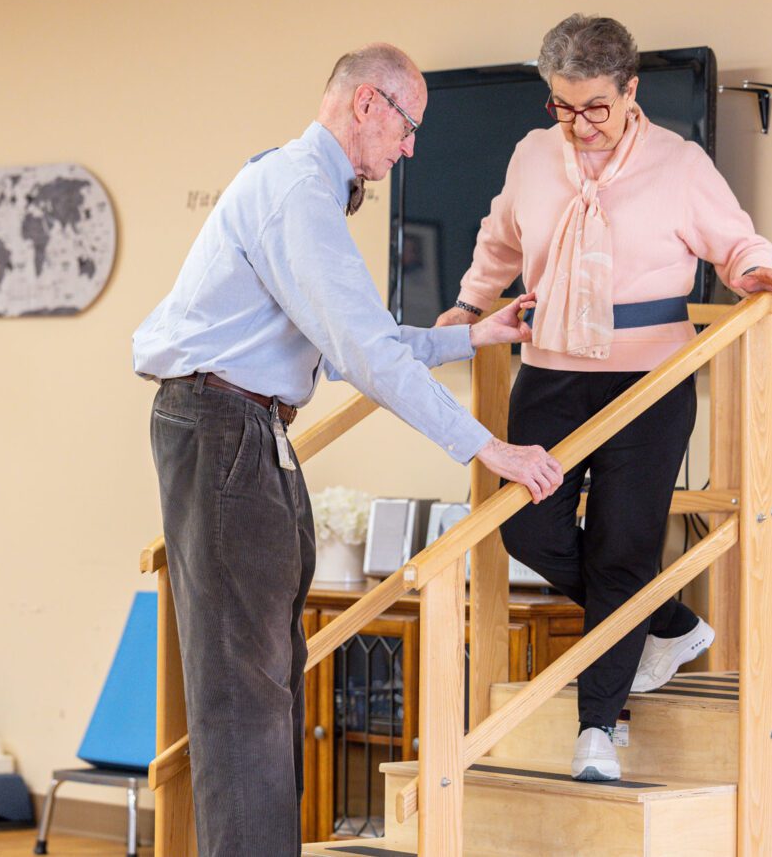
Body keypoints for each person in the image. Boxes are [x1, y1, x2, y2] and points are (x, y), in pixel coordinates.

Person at [131, 43, 563, 856]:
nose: (409, 149)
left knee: (271, 680)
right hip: (223, 429)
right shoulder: (297, 191)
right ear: (367, 104)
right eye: (407, 126)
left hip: (247, 431)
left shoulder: (304, 192)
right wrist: (487, 448)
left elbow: (342, 343)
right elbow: (363, 354)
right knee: (243, 695)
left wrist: (473, 337)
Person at [435, 14, 772, 783]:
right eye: (563, 107)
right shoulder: (534, 155)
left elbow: (735, 242)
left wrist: (756, 274)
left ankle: (596, 732)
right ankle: (666, 623)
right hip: (550, 370)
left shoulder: (679, 161)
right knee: (527, 532)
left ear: (630, 90)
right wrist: (471, 307)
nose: (579, 126)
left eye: (594, 107)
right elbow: (499, 239)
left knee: (623, 549)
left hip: (652, 380)